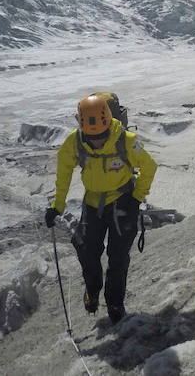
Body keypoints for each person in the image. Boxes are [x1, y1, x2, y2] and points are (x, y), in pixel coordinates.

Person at [44, 94, 157, 324]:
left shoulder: (126, 140)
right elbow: (64, 171)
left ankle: (115, 305)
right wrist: (57, 206)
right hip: (93, 203)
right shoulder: (75, 142)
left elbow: (149, 166)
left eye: (101, 136)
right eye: (91, 137)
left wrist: (136, 197)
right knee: (86, 249)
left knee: (117, 258)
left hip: (123, 202)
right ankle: (93, 291)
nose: (96, 142)